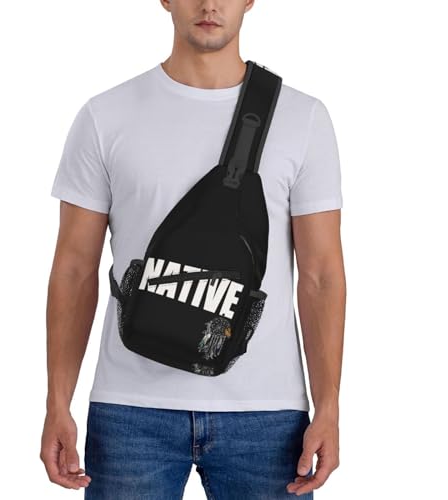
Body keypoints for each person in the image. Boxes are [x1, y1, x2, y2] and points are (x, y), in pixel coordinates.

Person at [39, 0, 346, 498]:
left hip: (266, 414)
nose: (209, 4)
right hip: (130, 410)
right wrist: (58, 402)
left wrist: (328, 407)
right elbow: (74, 268)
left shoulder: (302, 118)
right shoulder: (105, 116)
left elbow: (321, 275)